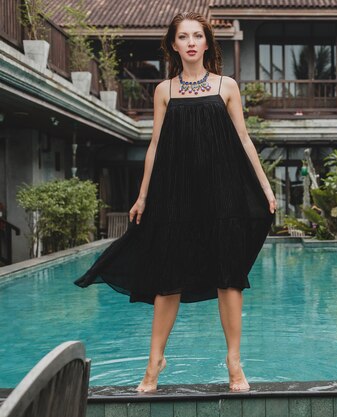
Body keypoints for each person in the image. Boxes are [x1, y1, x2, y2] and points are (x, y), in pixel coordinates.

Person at [75, 11, 276, 393]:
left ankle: (234, 363)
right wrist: (142, 195)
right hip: (176, 196)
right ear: (173, 44)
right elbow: (154, 147)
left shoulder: (227, 86)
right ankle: (155, 362)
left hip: (223, 194)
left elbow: (245, 140)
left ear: (206, 43)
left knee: (228, 277)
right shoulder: (164, 91)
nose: (190, 42)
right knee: (168, 281)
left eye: (197, 36)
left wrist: (265, 187)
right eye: (183, 37)